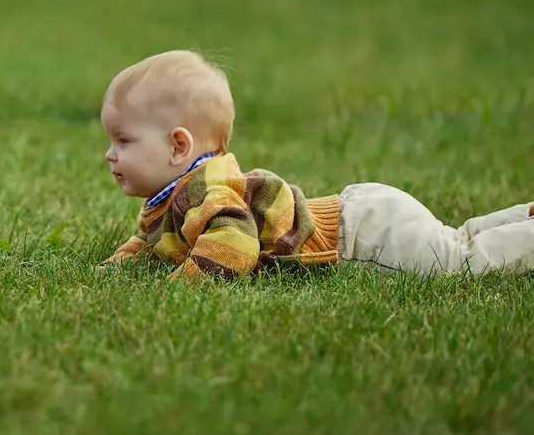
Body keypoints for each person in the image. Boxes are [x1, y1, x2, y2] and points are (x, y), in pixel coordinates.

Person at [98, 49, 534, 280]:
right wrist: (119, 264)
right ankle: (523, 217)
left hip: (362, 238)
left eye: (124, 140)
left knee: (458, 263)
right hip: (360, 212)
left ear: (179, 146)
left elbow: (235, 244)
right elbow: (157, 241)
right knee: (451, 241)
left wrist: (183, 288)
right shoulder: (177, 196)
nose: (110, 153)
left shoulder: (205, 193)